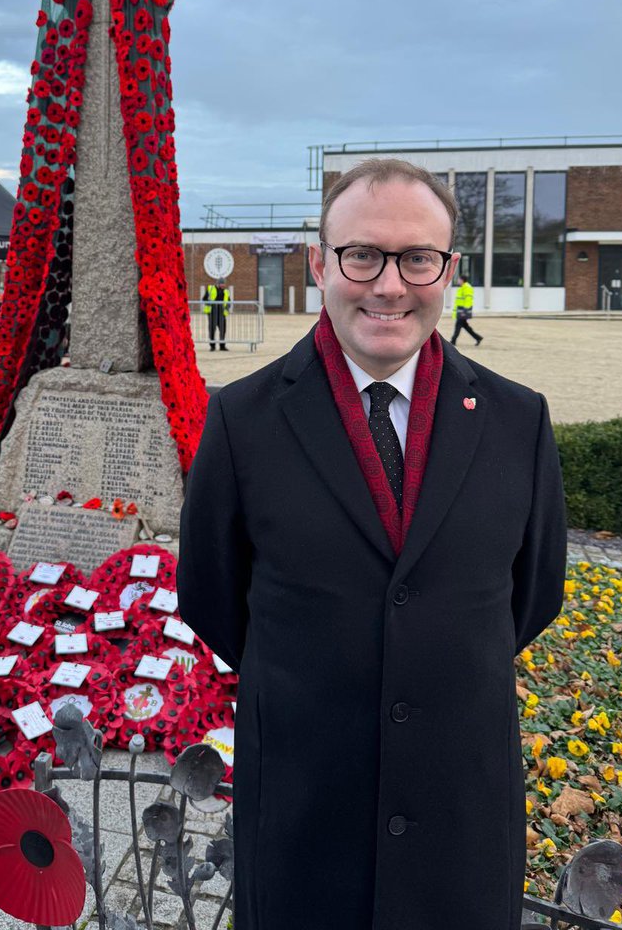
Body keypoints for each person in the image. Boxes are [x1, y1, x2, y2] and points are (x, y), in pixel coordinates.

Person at [178, 158, 567, 930]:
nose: (390, 285)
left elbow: (532, 596)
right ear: (321, 262)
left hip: (459, 823)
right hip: (302, 819)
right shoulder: (242, 422)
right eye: (363, 255)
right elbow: (213, 599)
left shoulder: (519, 424)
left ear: (448, 270)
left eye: (418, 258)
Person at [451, 271, 483, 346]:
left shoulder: (467, 287)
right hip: (460, 310)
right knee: (465, 327)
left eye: (458, 279)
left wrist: (465, 311)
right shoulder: (462, 288)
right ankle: (478, 338)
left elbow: (468, 299)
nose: (458, 281)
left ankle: (453, 341)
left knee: (458, 326)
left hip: (463, 311)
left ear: (462, 280)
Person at [202, 280, 230, 351]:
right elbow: (204, 299)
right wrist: (210, 304)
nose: (224, 285)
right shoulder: (210, 289)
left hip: (221, 312)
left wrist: (227, 307)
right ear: (218, 284)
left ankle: (222, 346)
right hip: (212, 312)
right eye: (222, 284)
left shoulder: (226, 291)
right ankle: (212, 346)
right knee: (212, 329)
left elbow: (229, 301)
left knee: (223, 329)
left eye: (224, 284)